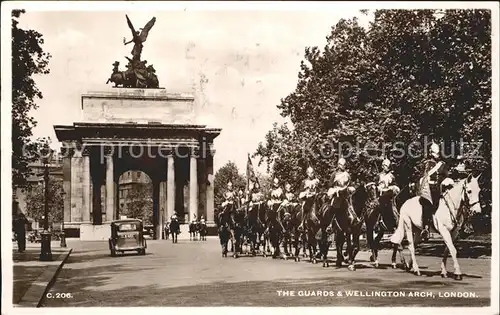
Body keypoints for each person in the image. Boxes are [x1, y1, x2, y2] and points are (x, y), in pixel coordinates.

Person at [419, 142, 449, 240]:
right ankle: (426, 228)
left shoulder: (442, 164)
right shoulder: (427, 163)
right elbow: (424, 177)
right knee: (427, 205)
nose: (437, 155)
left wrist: (446, 181)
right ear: (431, 153)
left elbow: (445, 176)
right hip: (430, 189)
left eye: (437, 153)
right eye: (435, 153)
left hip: (440, 188)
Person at [327, 158, 359, 224]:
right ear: (338, 165)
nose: (343, 166)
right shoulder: (334, 174)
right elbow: (330, 184)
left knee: (351, 206)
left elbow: (350, 184)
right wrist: (334, 190)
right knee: (334, 207)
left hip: (345, 194)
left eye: (344, 165)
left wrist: (351, 188)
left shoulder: (347, 175)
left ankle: (354, 219)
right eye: (342, 165)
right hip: (336, 194)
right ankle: (330, 223)